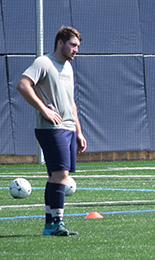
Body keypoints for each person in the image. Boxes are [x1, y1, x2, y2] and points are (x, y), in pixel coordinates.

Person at [16, 26, 87, 236]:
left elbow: (71, 103)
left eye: (78, 47)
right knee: (60, 174)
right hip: (51, 128)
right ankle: (57, 224)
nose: (76, 50)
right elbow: (23, 85)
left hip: (68, 129)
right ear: (60, 43)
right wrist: (43, 109)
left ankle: (50, 225)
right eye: (73, 45)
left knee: (56, 176)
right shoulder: (44, 62)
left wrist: (79, 131)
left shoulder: (68, 68)